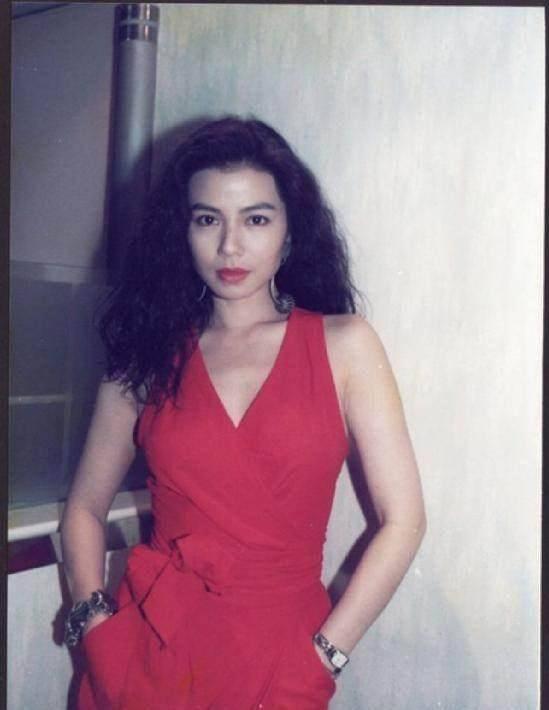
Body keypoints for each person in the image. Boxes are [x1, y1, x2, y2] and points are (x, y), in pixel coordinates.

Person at [60, 116, 426, 709]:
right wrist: (95, 623)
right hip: (142, 660)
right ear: (181, 231)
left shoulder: (346, 345)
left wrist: (323, 659)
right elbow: (83, 508)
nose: (230, 246)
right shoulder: (148, 352)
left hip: (280, 666)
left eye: (256, 219)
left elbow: (403, 521)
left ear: (291, 230)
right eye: (208, 219)